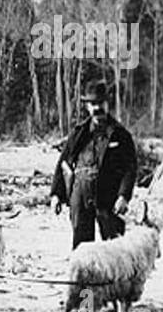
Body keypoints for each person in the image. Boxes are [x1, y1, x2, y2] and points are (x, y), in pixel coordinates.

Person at [50, 80, 138, 249]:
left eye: (100, 103)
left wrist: (124, 196)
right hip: (81, 197)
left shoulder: (120, 135)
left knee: (115, 249)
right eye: (92, 104)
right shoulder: (79, 133)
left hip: (109, 198)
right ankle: (83, 277)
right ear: (87, 107)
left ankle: (114, 276)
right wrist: (56, 194)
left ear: (107, 103)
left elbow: (130, 168)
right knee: (82, 251)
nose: (97, 108)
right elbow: (63, 163)